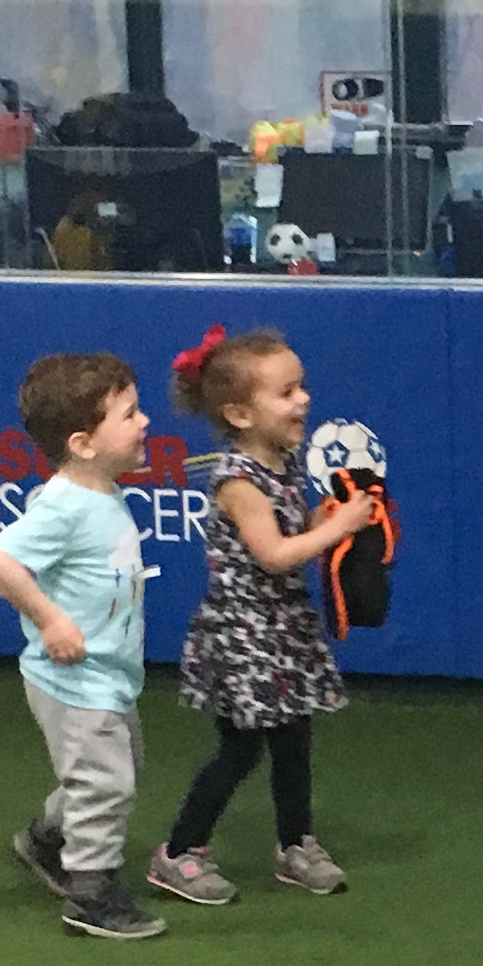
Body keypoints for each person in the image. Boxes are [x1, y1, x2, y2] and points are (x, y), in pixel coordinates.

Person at [148, 324, 378, 904]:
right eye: (286, 392)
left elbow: (293, 533)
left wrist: (330, 517)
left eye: (302, 387)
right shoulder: (238, 480)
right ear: (239, 414)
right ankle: (179, 852)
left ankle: (296, 843)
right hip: (244, 637)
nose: (303, 400)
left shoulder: (283, 460)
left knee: (294, 743)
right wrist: (338, 529)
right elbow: (274, 555)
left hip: (282, 630)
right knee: (241, 750)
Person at [0, 351, 162, 944]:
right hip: (75, 680)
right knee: (105, 783)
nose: (145, 422)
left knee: (115, 769)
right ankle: (91, 894)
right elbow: (0, 561)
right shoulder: (65, 506)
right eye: (129, 414)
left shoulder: (99, 491)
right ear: (83, 444)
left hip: (106, 675)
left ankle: (47, 839)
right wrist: (51, 620)